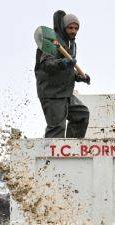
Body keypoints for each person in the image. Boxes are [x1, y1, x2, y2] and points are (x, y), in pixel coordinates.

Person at [35, 10, 91, 138]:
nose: (73, 31)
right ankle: (51, 158)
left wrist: (80, 77)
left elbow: (68, 71)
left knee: (81, 116)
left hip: (65, 93)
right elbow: (46, 65)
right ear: (63, 27)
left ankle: (70, 151)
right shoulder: (53, 42)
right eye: (70, 27)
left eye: (76, 28)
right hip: (52, 94)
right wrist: (63, 63)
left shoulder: (70, 44)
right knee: (57, 129)